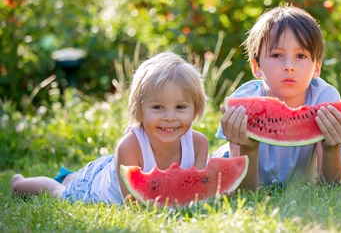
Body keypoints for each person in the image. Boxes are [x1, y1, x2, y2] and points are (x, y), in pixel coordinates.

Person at [11, 52, 209, 203]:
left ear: (195, 110)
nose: (169, 117)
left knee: (73, 178)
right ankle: (18, 183)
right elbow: (133, 204)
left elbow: (196, 193)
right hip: (97, 188)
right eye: (157, 107)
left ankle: (71, 176)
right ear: (138, 110)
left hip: (108, 170)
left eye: (181, 107)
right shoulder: (130, 146)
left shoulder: (199, 144)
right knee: (61, 193)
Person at [211, 5, 341, 190]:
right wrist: (247, 147)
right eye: (277, 55)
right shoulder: (242, 101)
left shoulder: (324, 97)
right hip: (243, 171)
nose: (289, 66)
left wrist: (331, 148)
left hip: (305, 183)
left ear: (317, 68)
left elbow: (331, 188)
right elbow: (243, 193)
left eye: (301, 55)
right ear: (256, 66)